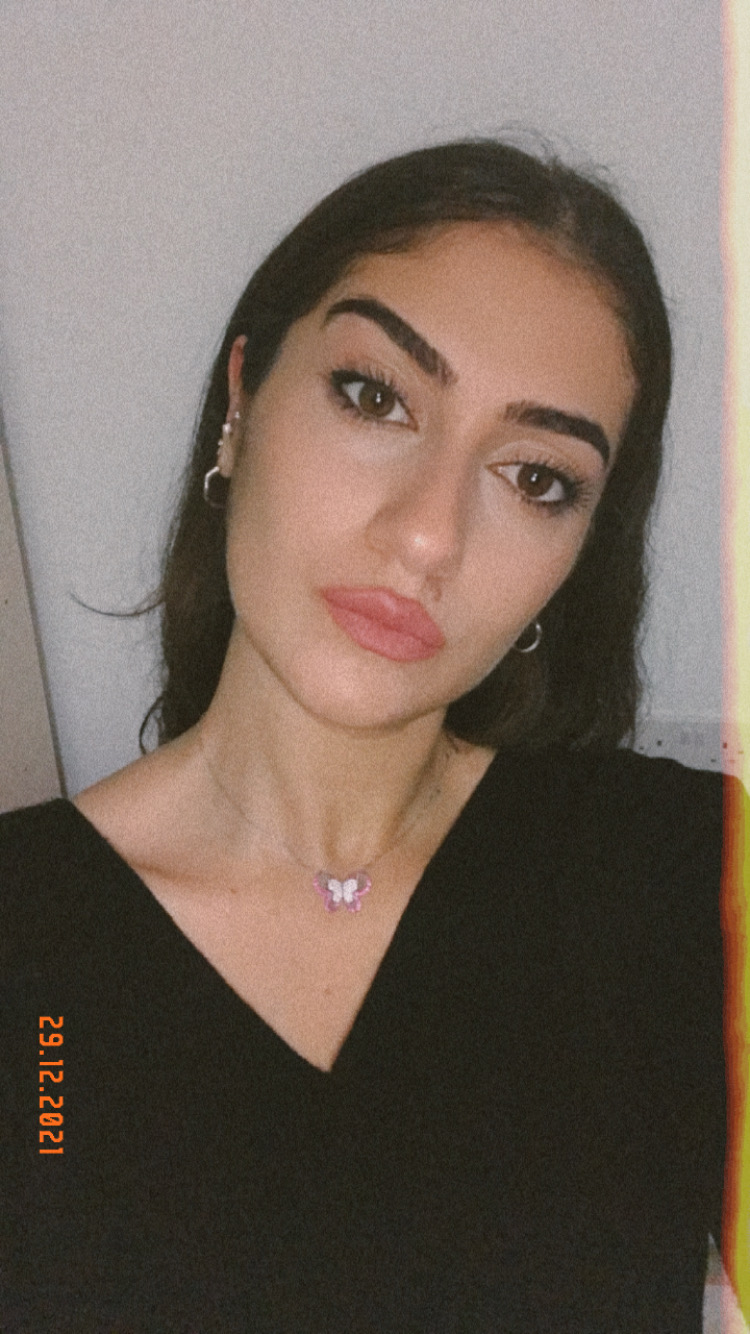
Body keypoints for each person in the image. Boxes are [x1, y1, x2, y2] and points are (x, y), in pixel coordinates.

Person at [0, 139, 727, 1332]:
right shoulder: (27, 942)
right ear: (242, 399)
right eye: (376, 396)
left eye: (537, 477)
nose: (429, 534)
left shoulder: (689, 878)